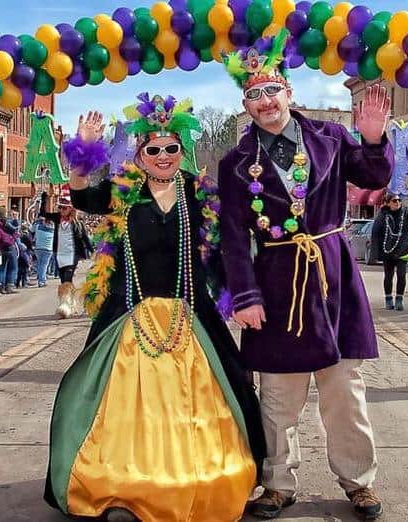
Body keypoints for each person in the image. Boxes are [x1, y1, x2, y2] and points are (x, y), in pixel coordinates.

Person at [44, 96, 265, 522]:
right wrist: (83, 150)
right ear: (140, 154)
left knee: (212, 401)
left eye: (171, 149)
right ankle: (121, 488)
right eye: (153, 150)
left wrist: (236, 295)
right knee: (121, 411)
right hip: (130, 318)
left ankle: (201, 482)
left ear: (181, 150)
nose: (163, 157)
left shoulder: (200, 194)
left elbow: (225, 248)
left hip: (191, 320)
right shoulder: (123, 192)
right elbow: (80, 194)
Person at [219, 31, 392, 519]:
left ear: (289, 93)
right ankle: (277, 483)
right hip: (274, 284)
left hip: (331, 277)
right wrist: (245, 298)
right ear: (246, 105)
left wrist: (374, 138)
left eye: (271, 89)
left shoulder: (331, 137)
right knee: (278, 395)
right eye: (253, 94)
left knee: (344, 391)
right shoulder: (236, 164)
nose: (264, 100)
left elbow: (374, 178)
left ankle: (358, 481)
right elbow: (234, 237)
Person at [38, 186, 92, 318]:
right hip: (59, 254)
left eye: (64, 208)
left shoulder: (77, 224)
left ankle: (64, 307)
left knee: (67, 279)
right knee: (63, 281)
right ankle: (70, 303)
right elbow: (43, 214)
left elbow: (85, 238)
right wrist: (44, 198)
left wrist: (93, 251)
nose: (61, 210)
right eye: (60, 207)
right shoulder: (57, 218)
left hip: (72, 255)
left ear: (70, 209)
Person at [370, 192, 408, 311]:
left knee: (401, 275)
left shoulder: (405, 213)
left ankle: (399, 299)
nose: (397, 203)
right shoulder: (383, 215)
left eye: (399, 200)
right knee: (388, 275)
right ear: (388, 203)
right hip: (387, 250)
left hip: (402, 250)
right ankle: (388, 299)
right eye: (394, 201)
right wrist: (375, 253)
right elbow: (375, 234)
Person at [32, 216, 54, 287]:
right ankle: (41, 281)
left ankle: (40, 278)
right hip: (48, 249)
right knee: (44, 265)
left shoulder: (38, 227)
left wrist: (37, 221)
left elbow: (31, 229)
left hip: (38, 248)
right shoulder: (52, 229)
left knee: (40, 264)